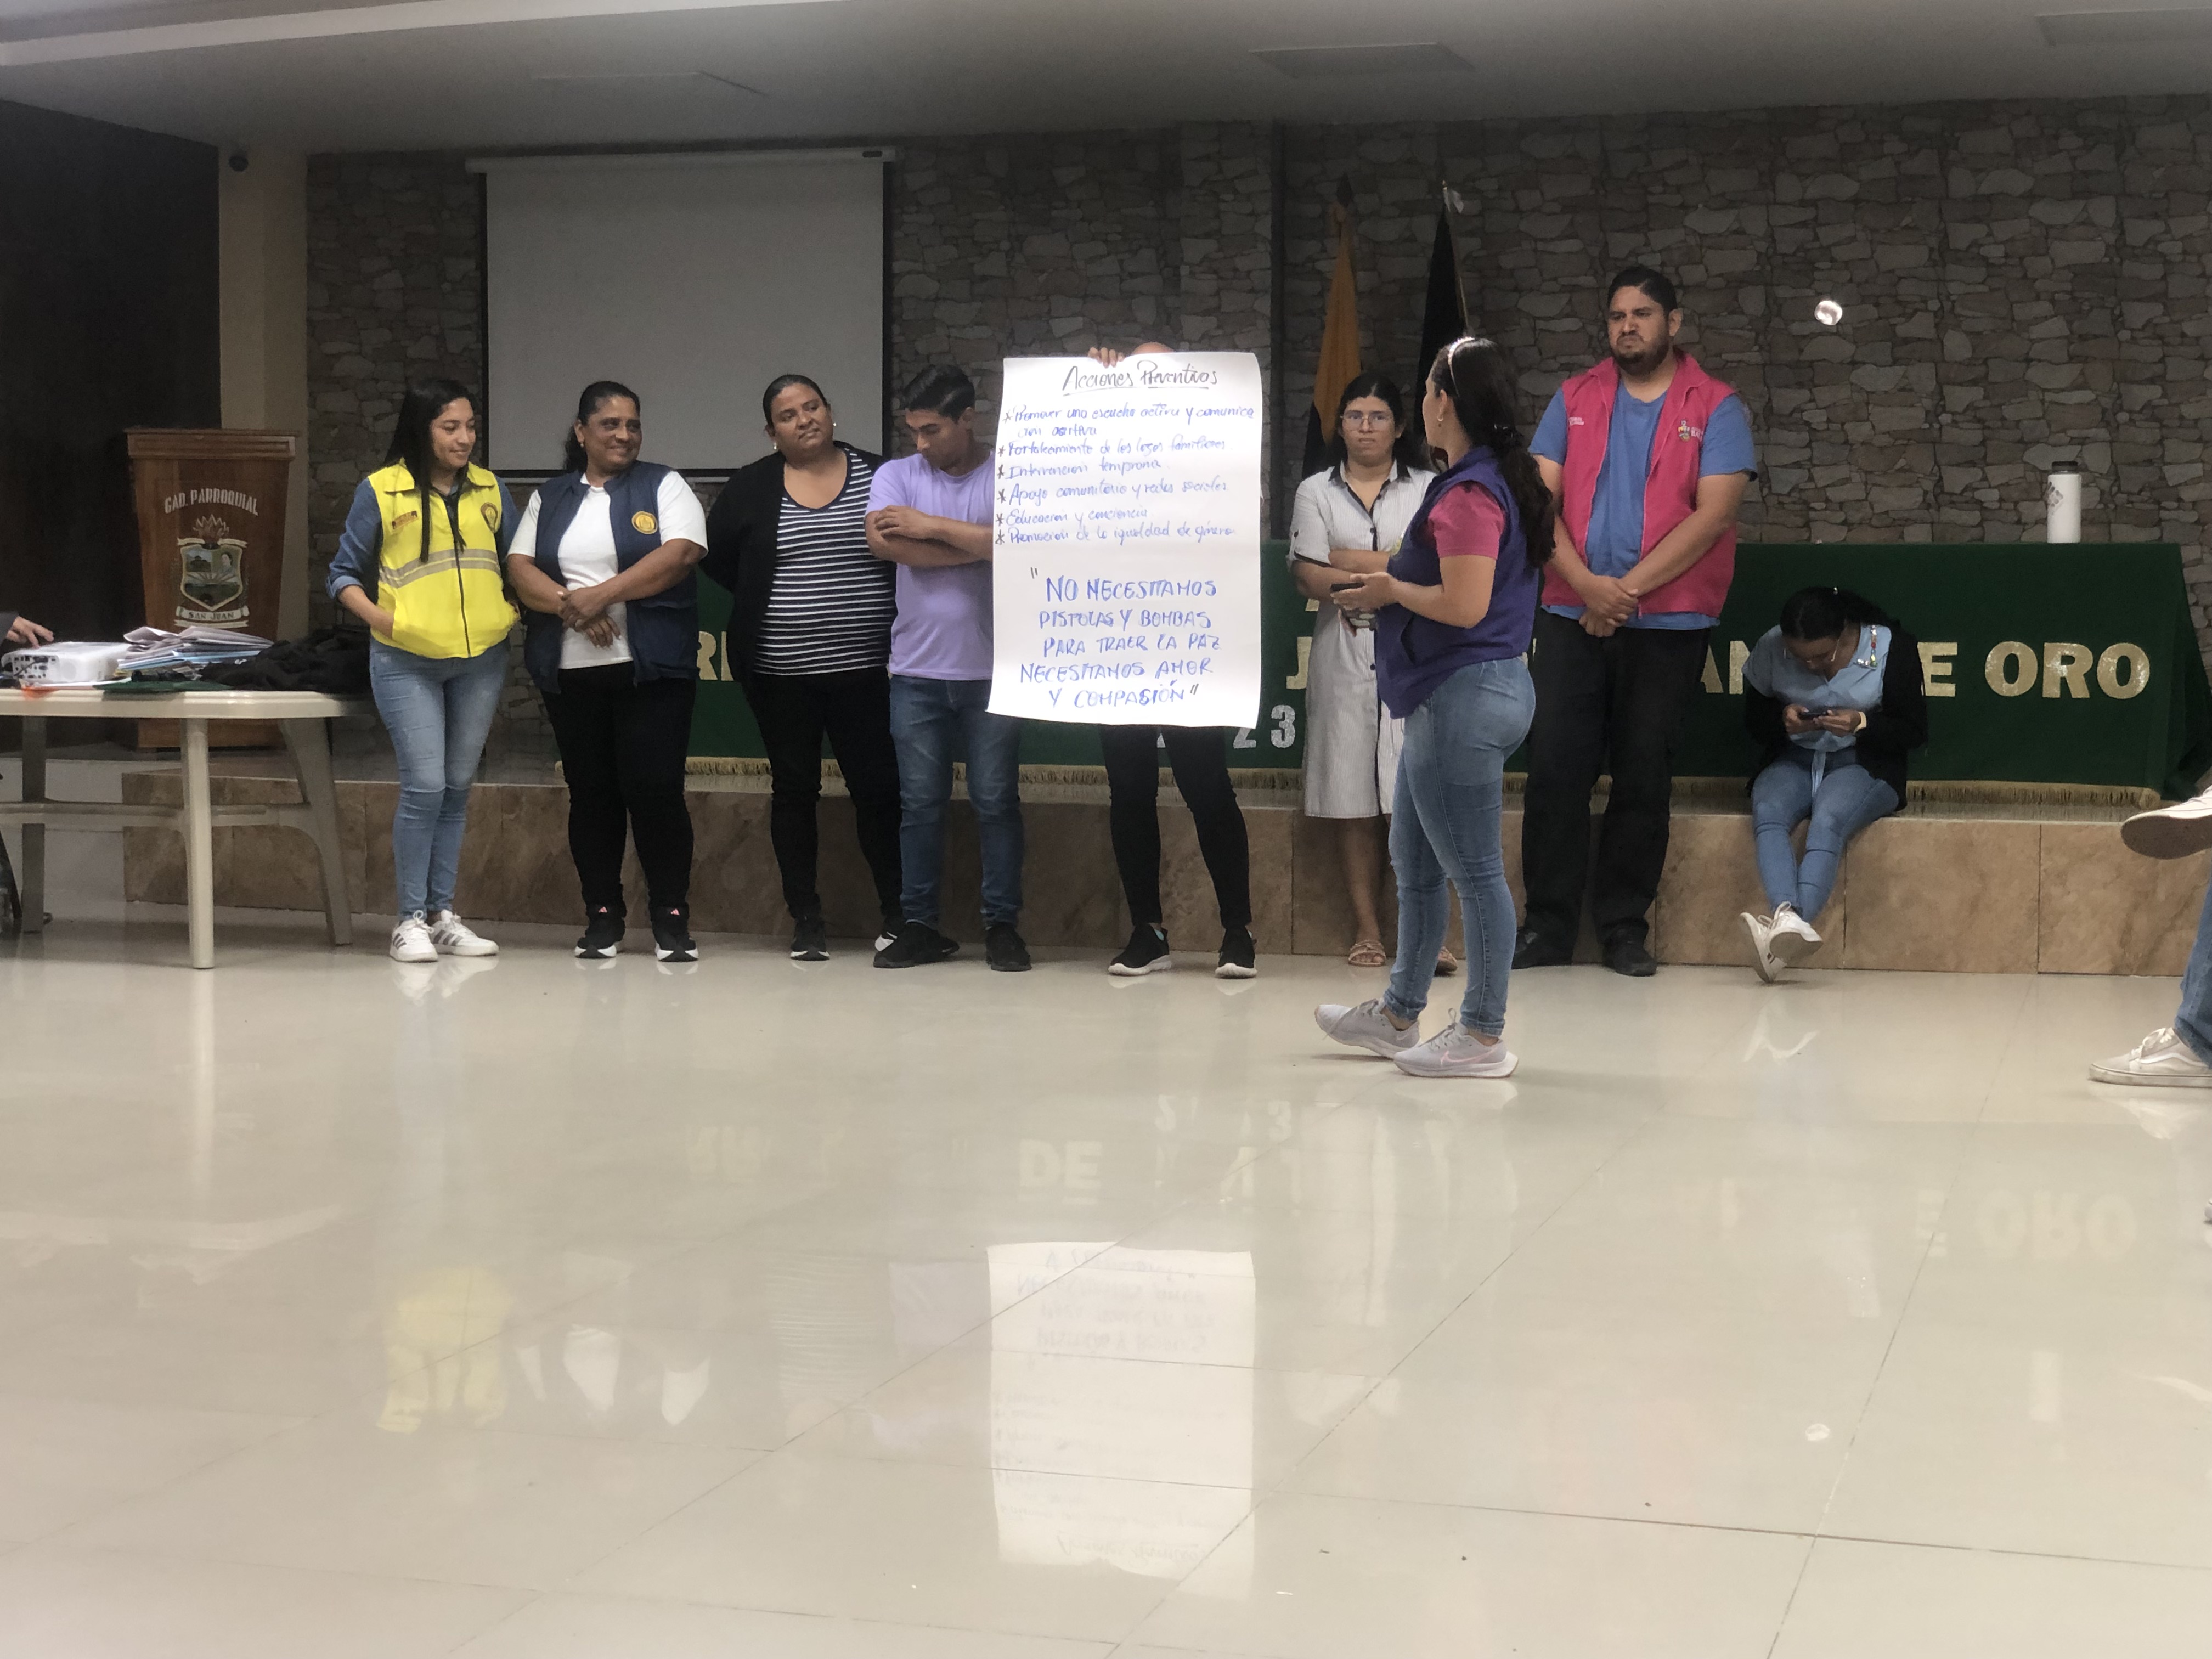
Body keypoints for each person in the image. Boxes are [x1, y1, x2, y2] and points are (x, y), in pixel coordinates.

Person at [1313, 337, 1548, 1078]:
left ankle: (1481, 1034)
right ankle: (1397, 1014)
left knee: (1475, 873)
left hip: (1466, 694)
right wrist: (1386, 580)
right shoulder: (1480, 480)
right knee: (1414, 863)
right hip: (1448, 695)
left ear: (1445, 402)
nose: (1420, 403)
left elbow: (1465, 603)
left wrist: (1390, 591)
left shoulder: (1473, 492)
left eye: (1424, 391)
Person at [1517, 265, 1758, 977]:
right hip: (1571, 612)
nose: (1628, 326)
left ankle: (1624, 928)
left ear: (1673, 324)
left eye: (1642, 314)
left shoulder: (1716, 405)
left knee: (1643, 776)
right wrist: (1588, 588)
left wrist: (1621, 594)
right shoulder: (1574, 397)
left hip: (1668, 626)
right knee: (1555, 768)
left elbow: (1715, 514)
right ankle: (1548, 928)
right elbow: (1538, 503)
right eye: (1617, 315)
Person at [506, 381, 708, 963]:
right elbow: (519, 567)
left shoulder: (664, 484)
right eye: (610, 424)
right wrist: (575, 606)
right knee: (591, 797)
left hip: (652, 671)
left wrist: (601, 596)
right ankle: (602, 916)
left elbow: (681, 554)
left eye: (632, 425)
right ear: (581, 432)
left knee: (656, 793)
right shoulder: (551, 497)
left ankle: (671, 918)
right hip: (572, 673)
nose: (624, 435)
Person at [703, 375, 900, 961]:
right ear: (772, 432)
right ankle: (806, 919)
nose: (804, 419)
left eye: (812, 406)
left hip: (867, 672)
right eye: (788, 415)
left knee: (878, 791)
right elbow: (720, 560)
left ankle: (898, 914)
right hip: (780, 674)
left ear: (831, 412)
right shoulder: (751, 487)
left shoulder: (880, 475)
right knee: (794, 791)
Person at [326, 379, 518, 964]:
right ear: (421, 429)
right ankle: (408, 920)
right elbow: (342, 575)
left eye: (470, 426)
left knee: (457, 788)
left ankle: (443, 916)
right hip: (406, 660)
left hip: (480, 660)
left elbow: (518, 563)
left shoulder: (490, 489)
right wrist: (383, 621)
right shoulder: (381, 490)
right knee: (426, 786)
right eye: (450, 427)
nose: (465, 439)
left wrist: (510, 610)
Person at [1087, 342, 1257, 980]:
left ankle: (1238, 931)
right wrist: (1091, 385)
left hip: (1189, 644)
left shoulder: (1215, 446)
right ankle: (1147, 931)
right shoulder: (1097, 446)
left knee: (1207, 787)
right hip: (1117, 643)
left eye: (1162, 375)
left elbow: (1244, 516)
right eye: (1139, 375)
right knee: (1129, 790)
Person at [1288, 371, 1454, 973]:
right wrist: (1388, 575)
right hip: (1344, 651)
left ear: (1400, 426)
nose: (1365, 427)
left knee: (1417, 797)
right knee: (1353, 796)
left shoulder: (1431, 487)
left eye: (1378, 416)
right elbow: (1308, 573)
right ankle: (1367, 930)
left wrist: (1350, 563)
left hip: (1417, 650)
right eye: (1354, 416)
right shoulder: (1315, 490)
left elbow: (1437, 567)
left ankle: (1425, 933)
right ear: (1340, 426)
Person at [866, 364, 1028, 972]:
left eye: (932, 430)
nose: (921, 444)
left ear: (968, 419)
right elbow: (883, 543)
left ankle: (1002, 926)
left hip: (994, 672)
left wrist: (930, 527)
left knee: (996, 802)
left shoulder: (1008, 473)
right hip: (915, 671)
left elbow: (1021, 543)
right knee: (920, 806)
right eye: (913, 431)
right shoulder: (895, 475)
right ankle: (918, 926)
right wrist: (980, 545)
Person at [1737, 586, 1926, 981]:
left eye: (1822, 656)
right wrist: (1782, 721)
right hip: (1794, 757)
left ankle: (1784, 927)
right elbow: (1752, 722)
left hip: (1863, 762)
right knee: (1768, 809)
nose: (1811, 666)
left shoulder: (1890, 647)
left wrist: (1862, 723)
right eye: (1799, 658)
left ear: (1843, 635)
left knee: (1829, 818)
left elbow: (1914, 730)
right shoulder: (1770, 646)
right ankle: (1789, 926)